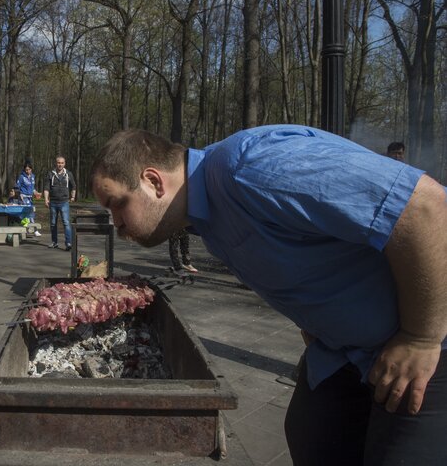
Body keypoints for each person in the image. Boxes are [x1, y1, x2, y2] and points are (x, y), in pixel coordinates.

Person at [90, 126, 447, 466]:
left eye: (117, 204)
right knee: (311, 435)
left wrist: (421, 336)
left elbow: (424, 205)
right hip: (342, 354)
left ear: (153, 182)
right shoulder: (203, 216)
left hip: (424, 345)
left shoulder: (251, 167)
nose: (115, 223)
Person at [44, 155, 76, 250]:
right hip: (53, 202)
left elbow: (73, 186)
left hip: (64, 202)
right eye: (58, 163)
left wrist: (73, 196)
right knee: (53, 223)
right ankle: (54, 242)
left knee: (66, 223)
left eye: (62, 163)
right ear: (56, 163)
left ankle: (68, 243)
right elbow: (46, 188)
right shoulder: (50, 174)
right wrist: (46, 199)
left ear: (64, 164)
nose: (60, 164)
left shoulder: (68, 174)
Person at [15, 161, 41, 236]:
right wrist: (20, 194)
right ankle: (34, 230)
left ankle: (27, 230)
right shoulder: (21, 177)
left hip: (30, 198)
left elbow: (32, 188)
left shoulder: (33, 176)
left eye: (29, 169)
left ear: (31, 169)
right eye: (26, 170)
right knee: (29, 213)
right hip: (23, 198)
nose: (28, 171)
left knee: (28, 214)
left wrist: (36, 192)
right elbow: (17, 187)